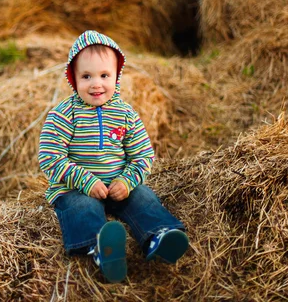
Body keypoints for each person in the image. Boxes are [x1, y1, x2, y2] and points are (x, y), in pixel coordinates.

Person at [38, 30, 188, 283]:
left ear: (116, 76)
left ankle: (159, 236)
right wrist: (86, 181)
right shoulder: (63, 115)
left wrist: (126, 181)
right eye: (87, 76)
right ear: (73, 79)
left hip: (118, 184)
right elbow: (50, 157)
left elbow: (142, 155)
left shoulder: (125, 114)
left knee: (143, 197)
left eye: (104, 75)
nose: (96, 84)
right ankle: (101, 247)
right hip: (76, 188)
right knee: (81, 207)